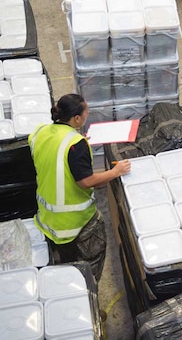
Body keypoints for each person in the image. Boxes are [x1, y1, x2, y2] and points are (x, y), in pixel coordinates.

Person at [29, 93, 131, 281]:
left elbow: (54, 151)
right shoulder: (75, 145)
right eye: (85, 114)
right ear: (76, 118)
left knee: (65, 262)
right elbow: (86, 181)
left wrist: (75, 138)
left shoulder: (40, 132)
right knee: (91, 260)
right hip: (72, 223)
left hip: (46, 216)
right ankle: (88, 295)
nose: (86, 117)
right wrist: (116, 172)